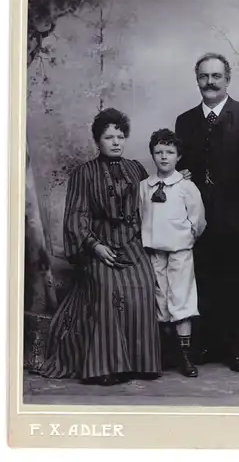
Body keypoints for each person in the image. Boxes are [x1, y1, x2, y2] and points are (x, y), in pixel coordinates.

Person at [42, 108, 161, 385]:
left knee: (143, 283)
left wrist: (179, 181)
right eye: (109, 137)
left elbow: (151, 202)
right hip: (98, 245)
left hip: (132, 243)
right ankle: (106, 366)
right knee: (108, 288)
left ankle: (141, 363)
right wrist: (95, 246)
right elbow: (76, 216)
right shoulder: (83, 173)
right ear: (98, 141)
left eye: (120, 136)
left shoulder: (137, 169)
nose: (116, 142)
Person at [175, 53, 239, 372]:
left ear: (227, 80)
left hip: (238, 218)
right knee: (204, 282)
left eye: (216, 76)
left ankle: (236, 350)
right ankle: (209, 346)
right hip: (199, 219)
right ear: (197, 80)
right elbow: (180, 167)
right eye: (204, 76)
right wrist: (182, 175)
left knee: (235, 284)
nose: (210, 82)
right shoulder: (185, 121)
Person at [140, 129, 206, 377]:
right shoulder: (144, 187)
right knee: (160, 299)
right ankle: (163, 354)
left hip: (180, 252)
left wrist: (185, 238)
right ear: (153, 155)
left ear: (178, 156)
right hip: (154, 252)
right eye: (159, 152)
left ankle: (186, 357)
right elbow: (140, 215)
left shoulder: (186, 187)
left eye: (169, 152)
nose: (164, 157)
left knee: (181, 299)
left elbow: (198, 220)